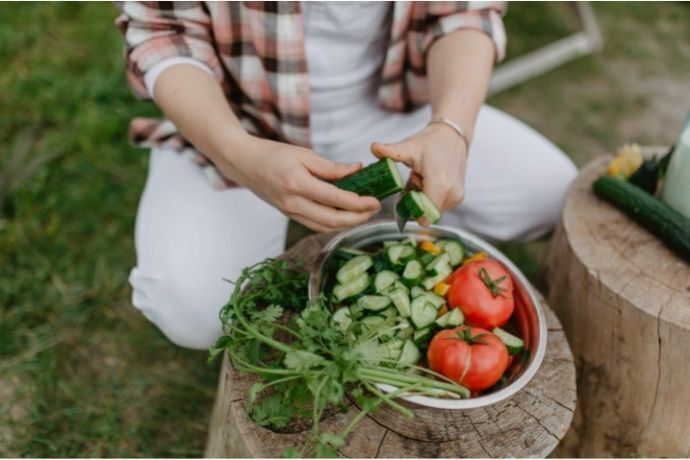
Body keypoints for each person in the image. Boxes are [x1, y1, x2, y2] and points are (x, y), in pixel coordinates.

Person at [116, 2, 577, 349]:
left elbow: (462, 13)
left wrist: (450, 127)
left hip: (387, 111)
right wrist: (239, 155)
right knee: (193, 312)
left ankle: (409, 239)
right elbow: (161, 31)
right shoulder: (236, 140)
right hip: (236, 122)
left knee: (553, 197)